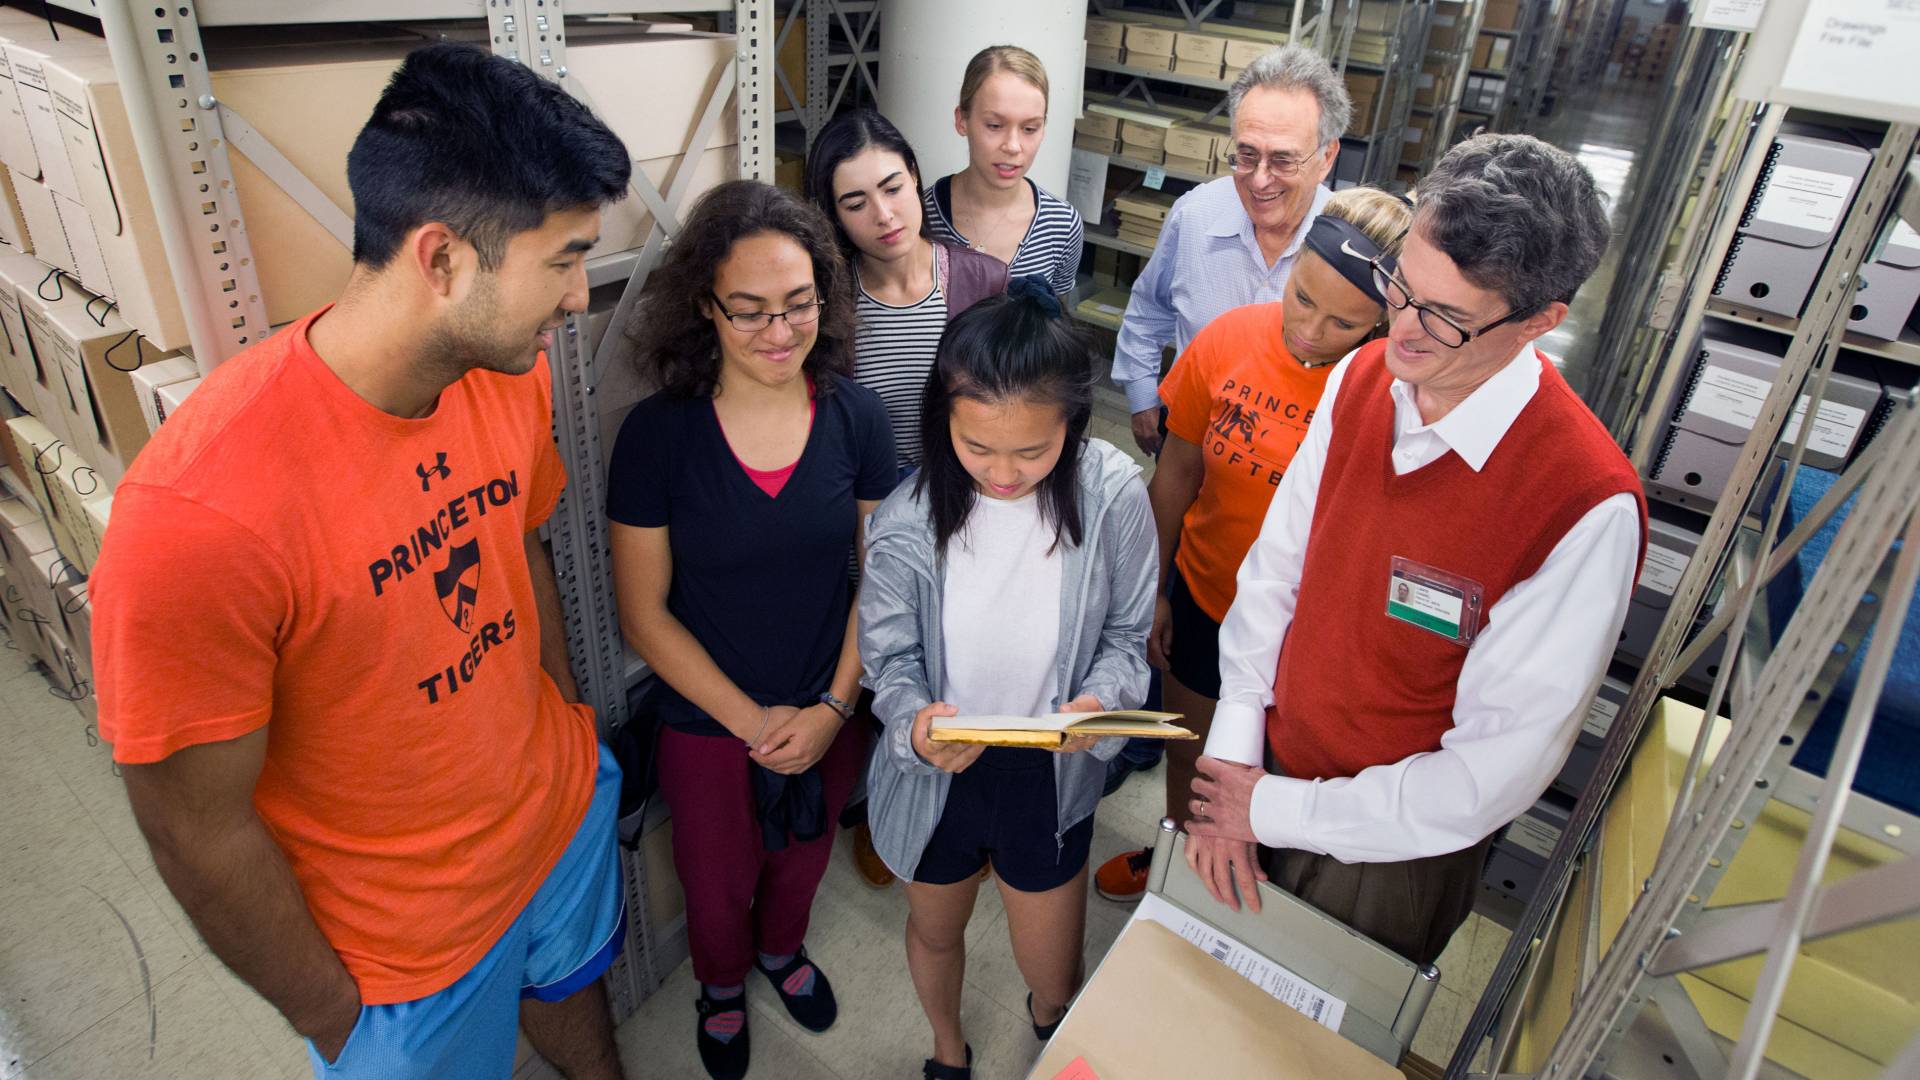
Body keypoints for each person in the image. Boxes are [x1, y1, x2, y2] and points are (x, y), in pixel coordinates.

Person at [90, 45, 632, 1080]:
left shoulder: (502, 375)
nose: (578, 298)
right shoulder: (198, 517)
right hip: (401, 958)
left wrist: (568, 728)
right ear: (442, 260)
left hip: (554, 822)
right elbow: (193, 827)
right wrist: (336, 1016)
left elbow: (517, 545)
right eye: (563, 260)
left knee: (578, 1007)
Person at [1185, 134, 1647, 968]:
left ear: (1541, 323)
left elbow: (1487, 775)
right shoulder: (1362, 379)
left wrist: (1274, 811)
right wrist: (1235, 754)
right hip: (1266, 765)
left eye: (1446, 318)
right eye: (1400, 284)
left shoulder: (1583, 504)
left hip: (1391, 852)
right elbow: (1276, 571)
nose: (1402, 328)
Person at [606, 179, 895, 1080]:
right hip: (708, 718)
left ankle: (782, 950)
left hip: (827, 700)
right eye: (751, 310)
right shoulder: (657, 437)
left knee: (803, 858)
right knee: (715, 878)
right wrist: (752, 723)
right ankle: (721, 985)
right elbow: (642, 612)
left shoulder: (858, 419)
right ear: (706, 306)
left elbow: (882, 582)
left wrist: (833, 709)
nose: (780, 331)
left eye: (800, 304)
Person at [860, 283, 1156, 1080]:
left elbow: (1128, 638)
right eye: (976, 447)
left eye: (1031, 450)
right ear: (943, 422)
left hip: (1048, 774)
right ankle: (947, 1046)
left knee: (1054, 974)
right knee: (935, 931)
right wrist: (915, 723)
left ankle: (1049, 1020)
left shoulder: (1112, 495)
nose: (1002, 473)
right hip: (938, 771)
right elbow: (888, 661)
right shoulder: (905, 518)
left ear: (1072, 423)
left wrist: (1100, 704)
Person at [1092, 187, 1415, 903]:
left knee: (1277, 779)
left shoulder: (1393, 391)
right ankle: (1174, 864)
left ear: (1385, 318)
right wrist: (1153, 592)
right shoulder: (1229, 339)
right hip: (1207, 598)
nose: (1310, 331)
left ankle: (1247, 891)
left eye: (1343, 322)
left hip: (1311, 636)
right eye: (1302, 298)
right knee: (1193, 754)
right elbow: (1176, 475)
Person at [805, 108, 1010, 888]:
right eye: (855, 202)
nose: (883, 214)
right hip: (871, 521)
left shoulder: (981, 280)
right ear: (834, 214)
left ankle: (969, 813)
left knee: (968, 663)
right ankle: (882, 806)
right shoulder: (829, 305)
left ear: (917, 177)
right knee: (888, 663)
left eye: (892, 187)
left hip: (971, 511)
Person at [1108, 45, 1350, 458]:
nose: (1259, 180)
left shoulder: (1350, 245)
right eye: (1246, 155)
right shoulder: (1195, 215)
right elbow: (1150, 307)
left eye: (1283, 161)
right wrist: (1142, 396)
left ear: (1327, 157)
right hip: (1185, 441)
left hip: (1290, 463)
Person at [923, 45, 1084, 298]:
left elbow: (1055, 316)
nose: (1013, 146)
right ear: (962, 120)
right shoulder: (920, 216)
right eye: (995, 125)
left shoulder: (1061, 225)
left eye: (1029, 129)